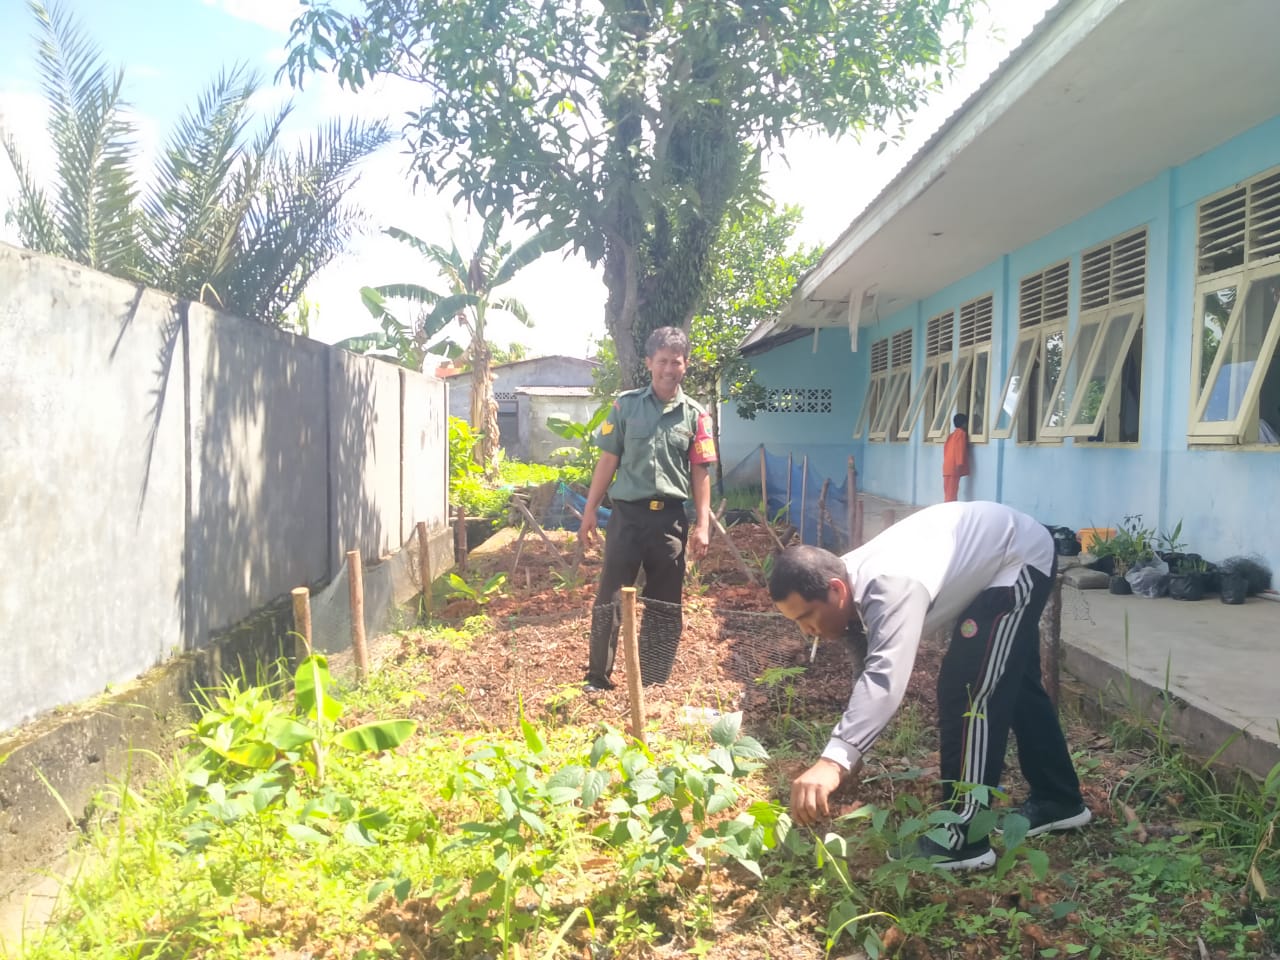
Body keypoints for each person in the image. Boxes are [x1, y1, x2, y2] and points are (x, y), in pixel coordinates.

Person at [768, 501, 1091, 871]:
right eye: (796, 622)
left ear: (836, 590)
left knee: (967, 689)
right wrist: (851, 753)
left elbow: (885, 675)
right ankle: (1058, 799)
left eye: (807, 616)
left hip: (1017, 557)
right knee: (1013, 682)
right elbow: (866, 666)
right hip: (995, 555)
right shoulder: (842, 586)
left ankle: (961, 837)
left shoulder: (888, 586)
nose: (806, 630)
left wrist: (833, 761)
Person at [579, 326, 716, 691]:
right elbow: (608, 461)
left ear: (686, 365)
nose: (669, 369)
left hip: (670, 521)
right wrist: (590, 509)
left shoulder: (696, 415)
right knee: (610, 597)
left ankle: (654, 682)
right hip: (627, 517)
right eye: (662, 361)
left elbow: (700, 472)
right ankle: (598, 678)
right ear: (649, 363)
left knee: (665, 602)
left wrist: (703, 525)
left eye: (676, 362)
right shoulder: (625, 406)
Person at [942, 413, 970, 502]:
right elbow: (960, 449)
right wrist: (959, 464)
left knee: (948, 492)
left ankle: (948, 507)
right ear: (964, 424)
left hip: (947, 467)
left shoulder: (951, 435)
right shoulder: (961, 434)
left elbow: (945, 450)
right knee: (952, 494)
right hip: (954, 467)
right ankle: (950, 509)